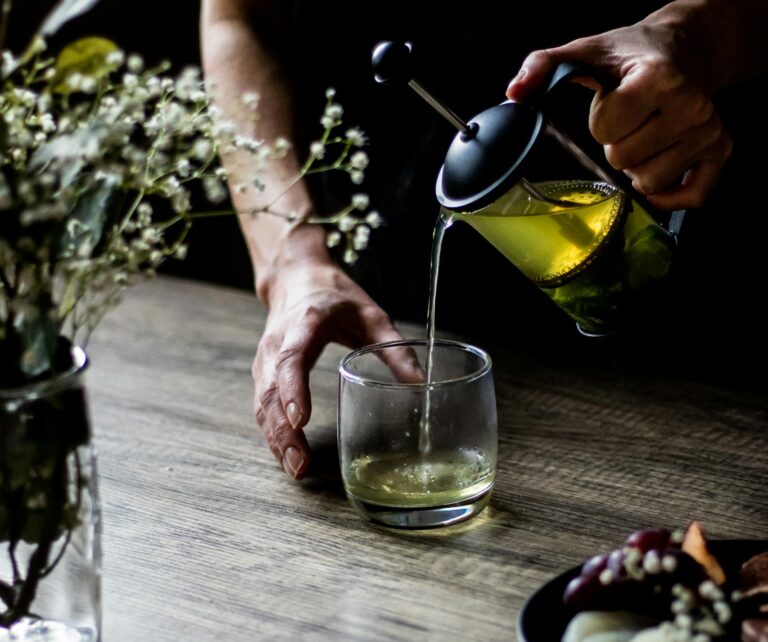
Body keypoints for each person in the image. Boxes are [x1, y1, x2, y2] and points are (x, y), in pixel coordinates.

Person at [200, 0, 768, 480]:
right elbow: (236, 18)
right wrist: (291, 255)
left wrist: (698, 36)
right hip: (417, 335)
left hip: (720, 340)